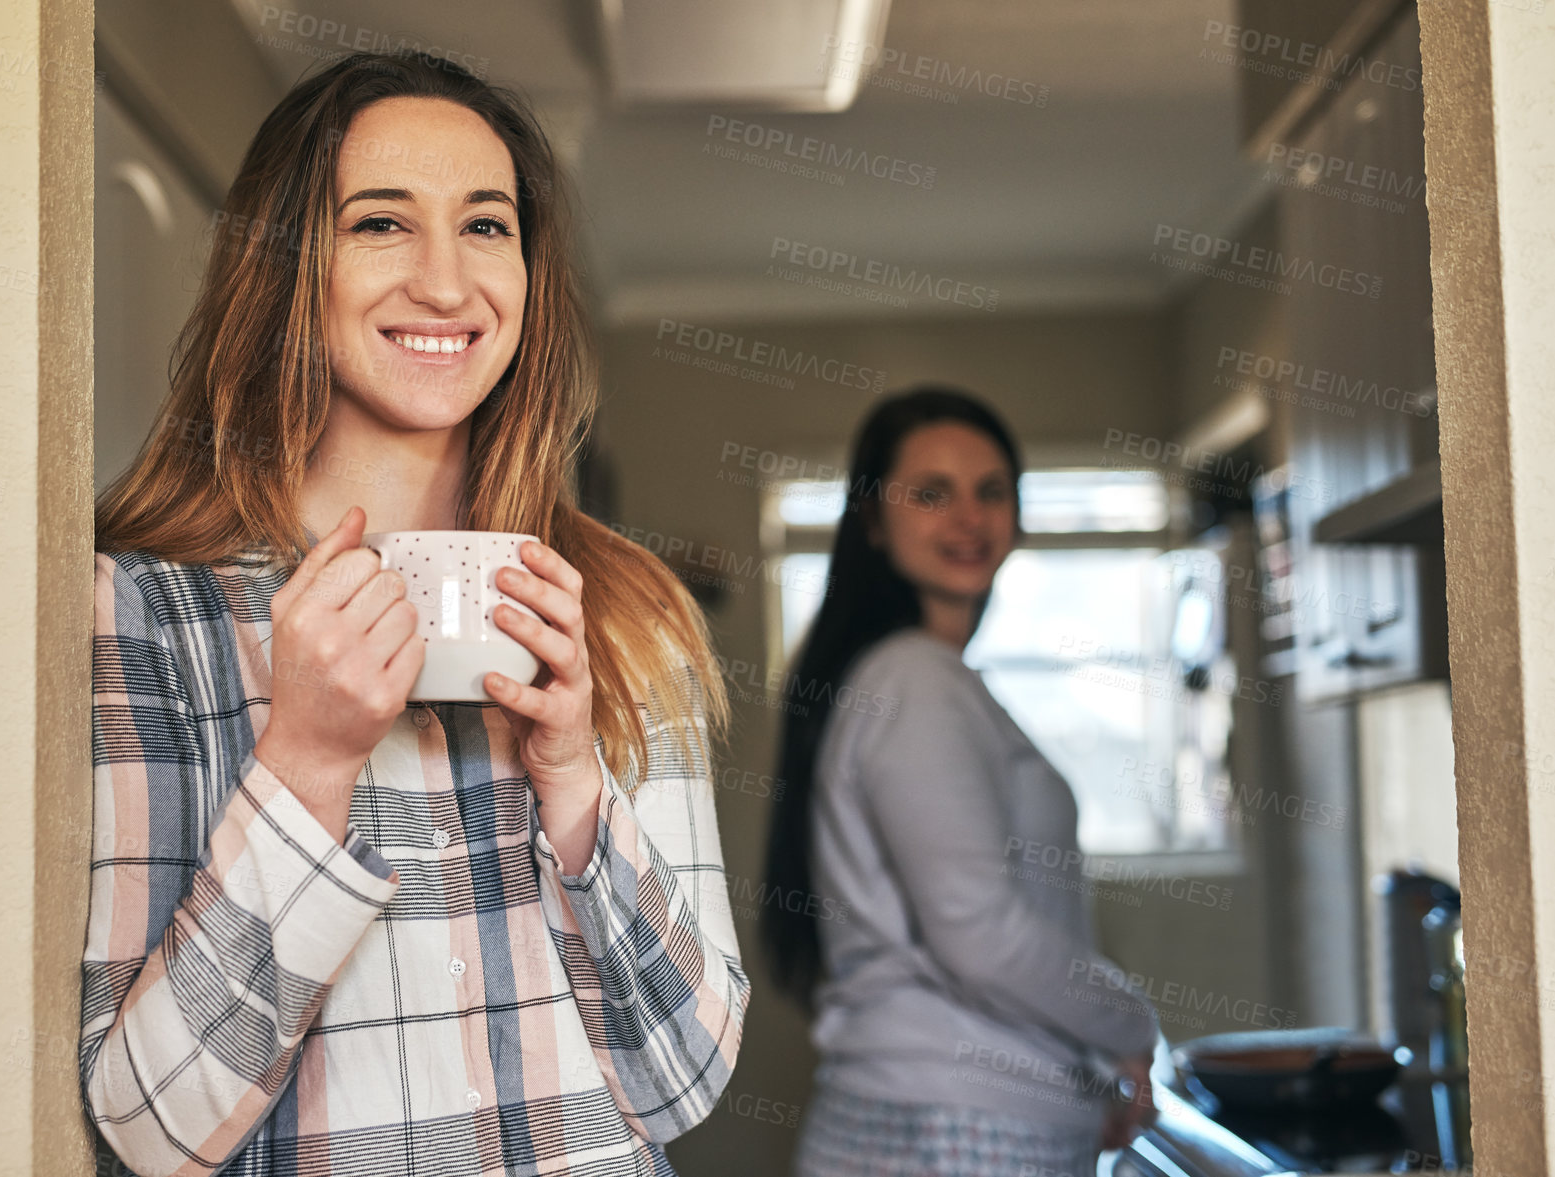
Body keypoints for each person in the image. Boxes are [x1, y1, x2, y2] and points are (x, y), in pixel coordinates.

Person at [82, 51, 748, 1177]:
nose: (446, 284)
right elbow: (151, 1129)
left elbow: (683, 1080)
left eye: (486, 227)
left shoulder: (625, 613)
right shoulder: (141, 611)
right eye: (381, 223)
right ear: (289, 266)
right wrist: (304, 763)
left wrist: (576, 780)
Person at [763, 388, 1159, 1177]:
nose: (968, 517)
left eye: (991, 490)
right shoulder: (915, 680)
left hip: (940, 1117)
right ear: (872, 520)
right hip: (957, 1128)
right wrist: (1132, 1024)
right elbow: (977, 927)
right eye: (931, 493)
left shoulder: (917, 678)